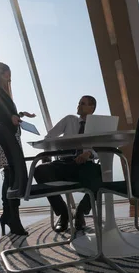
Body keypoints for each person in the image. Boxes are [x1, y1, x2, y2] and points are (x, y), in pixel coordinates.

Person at [33, 96, 102, 232]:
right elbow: (49, 137)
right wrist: (48, 152)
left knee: (102, 174)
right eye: (79, 103)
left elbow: (103, 148)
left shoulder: (97, 126)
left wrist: (89, 153)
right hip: (64, 163)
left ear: (92, 108)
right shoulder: (69, 120)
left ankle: (81, 212)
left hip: (85, 165)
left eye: (83, 104)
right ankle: (64, 213)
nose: (79, 105)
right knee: (40, 171)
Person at [0, 62, 35, 236]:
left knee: (11, 174)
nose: (10, 78)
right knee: (12, 174)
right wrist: (10, 116)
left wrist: (19, 115)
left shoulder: (4, 92)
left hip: (10, 135)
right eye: (7, 74)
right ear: (0, 73)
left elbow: (3, 112)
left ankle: (8, 215)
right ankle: (12, 217)